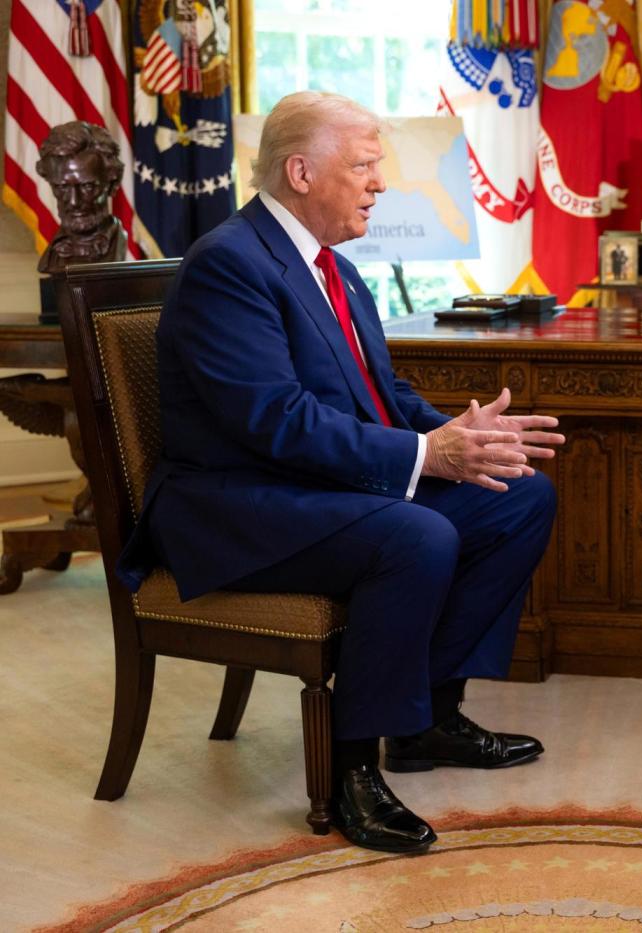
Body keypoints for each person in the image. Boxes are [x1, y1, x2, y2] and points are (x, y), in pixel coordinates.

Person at [115, 92, 565, 855]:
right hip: (238, 505)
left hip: (313, 487)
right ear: (301, 172)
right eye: (363, 165)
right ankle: (353, 769)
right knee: (415, 536)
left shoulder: (337, 270)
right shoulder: (229, 264)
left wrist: (459, 436)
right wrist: (427, 457)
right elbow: (276, 420)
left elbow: (379, 393)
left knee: (519, 498)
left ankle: (425, 719)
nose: (380, 182)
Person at [35, 121, 127, 273]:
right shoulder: (51, 257)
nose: (74, 202)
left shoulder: (117, 244)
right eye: (62, 187)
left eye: (87, 186)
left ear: (112, 183)